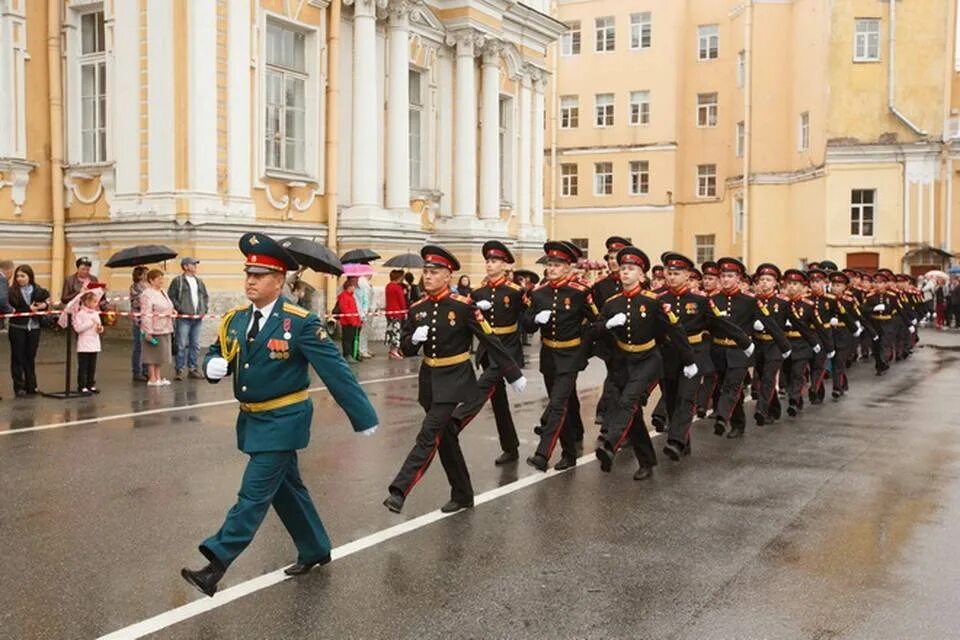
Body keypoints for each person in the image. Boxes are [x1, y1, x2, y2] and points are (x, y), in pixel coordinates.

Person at [181, 232, 378, 598]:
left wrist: (363, 416)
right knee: (288, 492)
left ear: (278, 281)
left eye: (259, 276)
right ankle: (315, 548)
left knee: (253, 494)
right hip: (253, 420)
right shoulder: (236, 320)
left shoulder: (299, 322)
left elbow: (335, 369)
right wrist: (212, 365)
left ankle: (215, 564)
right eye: (248, 275)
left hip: (285, 421)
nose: (250, 282)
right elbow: (215, 350)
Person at [383, 246, 525, 514]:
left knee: (428, 434)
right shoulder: (418, 308)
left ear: (448, 276)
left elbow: (490, 340)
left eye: (434, 272)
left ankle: (399, 490)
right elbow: (406, 348)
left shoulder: (463, 307)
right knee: (446, 438)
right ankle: (463, 494)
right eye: (425, 272)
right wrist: (413, 340)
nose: (428, 277)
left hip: (455, 380)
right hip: (429, 381)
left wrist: (513, 372)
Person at [593, 247, 695, 480]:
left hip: (648, 360)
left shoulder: (652, 301)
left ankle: (610, 446)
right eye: (623, 268)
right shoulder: (612, 303)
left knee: (627, 401)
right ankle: (647, 461)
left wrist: (689, 360)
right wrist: (607, 325)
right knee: (633, 412)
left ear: (642, 276)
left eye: (632, 269)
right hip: (623, 361)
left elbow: (674, 330)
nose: (625, 272)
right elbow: (595, 330)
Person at [658, 253, 750, 458]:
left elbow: (720, 323)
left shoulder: (700, 300)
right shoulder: (660, 299)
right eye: (669, 273)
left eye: (677, 273)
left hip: (695, 354)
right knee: (671, 400)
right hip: (670, 355)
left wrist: (745, 342)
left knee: (686, 398)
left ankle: (675, 441)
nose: (671, 277)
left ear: (688, 275)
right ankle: (684, 440)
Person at [450, 241, 528, 465]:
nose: (489, 264)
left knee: (484, 384)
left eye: (494, 261)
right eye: (488, 261)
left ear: (505, 265)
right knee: (498, 400)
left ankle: (457, 420)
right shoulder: (478, 292)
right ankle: (510, 447)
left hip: (507, 349)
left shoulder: (515, 291)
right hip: (487, 349)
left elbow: (527, 318)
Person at [523, 241, 598, 472]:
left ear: (568, 268)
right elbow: (526, 325)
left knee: (557, 404)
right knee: (563, 404)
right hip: (549, 354)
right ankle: (569, 452)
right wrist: (535, 319)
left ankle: (542, 454)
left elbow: (596, 321)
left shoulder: (580, 291)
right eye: (550, 265)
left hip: (570, 354)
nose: (552, 269)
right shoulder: (538, 293)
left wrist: (583, 349)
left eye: (557, 265)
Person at [708, 257, 789, 439]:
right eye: (723, 276)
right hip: (719, 350)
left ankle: (721, 418)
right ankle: (738, 423)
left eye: (730, 276)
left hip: (740, 351)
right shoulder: (713, 300)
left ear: (738, 278)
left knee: (732, 386)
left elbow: (770, 322)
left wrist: (784, 345)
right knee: (725, 387)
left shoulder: (749, 301)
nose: (726, 280)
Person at [7, 264, 50, 397]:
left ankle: (31, 385)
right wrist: (29, 310)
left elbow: (46, 302)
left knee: (30, 357)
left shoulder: (37, 289)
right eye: (18, 276)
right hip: (17, 328)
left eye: (23, 276)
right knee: (18, 357)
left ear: (29, 277)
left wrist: (45, 305)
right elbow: (14, 310)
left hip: (34, 327)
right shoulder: (11, 291)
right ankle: (19, 387)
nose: (20, 279)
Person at [168, 257, 210, 381]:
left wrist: (204, 309)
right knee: (181, 344)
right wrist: (180, 308)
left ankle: (192, 368)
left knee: (195, 344)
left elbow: (205, 296)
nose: (195, 266)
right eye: (193, 264)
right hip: (184, 317)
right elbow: (172, 296)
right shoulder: (178, 281)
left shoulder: (199, 281)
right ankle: (179, 369)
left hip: (197, 317)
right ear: (185, 266)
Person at [140, 269, 175, 386]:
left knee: (161, 354)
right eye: (158, 278)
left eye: (162, 278)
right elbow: (146, 314)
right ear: (151, 280)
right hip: (154, 328)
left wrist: (172, 311)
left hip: (165, 326)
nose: (161, 280)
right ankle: (152, 378)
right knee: (152, 354)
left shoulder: (162, 292)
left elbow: (168, 306)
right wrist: (147, 331)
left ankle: (158, 376)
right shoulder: (147, 294)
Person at [72, 291, 104, 394]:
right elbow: (77, 328)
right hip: (84, 343)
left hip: (94, 342)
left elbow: (99, 325)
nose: (96, 304)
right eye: (94, 302)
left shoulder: (95, 313)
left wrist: (100, 328)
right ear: (86, 301)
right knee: (83, 366)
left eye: (96, 302)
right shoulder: (80, 314)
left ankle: (91, 384)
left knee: (92, 366)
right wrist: (90, 323)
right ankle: (82, 385)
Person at [129, 266, 150, 382]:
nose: (147, 275)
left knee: (147, 346)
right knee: (139, 347)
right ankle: (137, 371)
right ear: (139, 275)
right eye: (145, 273)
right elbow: (137, 302)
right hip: (139, 321)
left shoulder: (147, 287)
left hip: (148, 320)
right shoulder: (135, 287)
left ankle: (146, 370)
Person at [337, 277, 362, 361]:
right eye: (353, 286)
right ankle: (347, 355)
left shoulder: (351, 296)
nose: (354, 288)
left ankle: (353, 354)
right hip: (347, 322)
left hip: (353, 322)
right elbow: (345, 310)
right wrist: (353, 321)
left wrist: (358, 321)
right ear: (349, 287)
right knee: (347, 339)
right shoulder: (344, 296)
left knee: (352, 339)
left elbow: (354, 310)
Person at [384, 270, 408, 360]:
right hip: (397, 312)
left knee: (391, 331)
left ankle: (392, 349)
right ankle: (394, 350)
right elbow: (401, 301)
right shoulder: (397, 287)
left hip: (389, 311)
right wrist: (404, 311)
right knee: (396, 331)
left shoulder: (388, 286)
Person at [355, 274, 374, 359]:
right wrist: (367, 309)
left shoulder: (365, 282)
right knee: (363, 331)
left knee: (365, 331)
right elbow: (366, 298)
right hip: (364, 311)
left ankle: (364, 348)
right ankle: (362, 349)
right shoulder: (362, 282)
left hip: (366, 310)